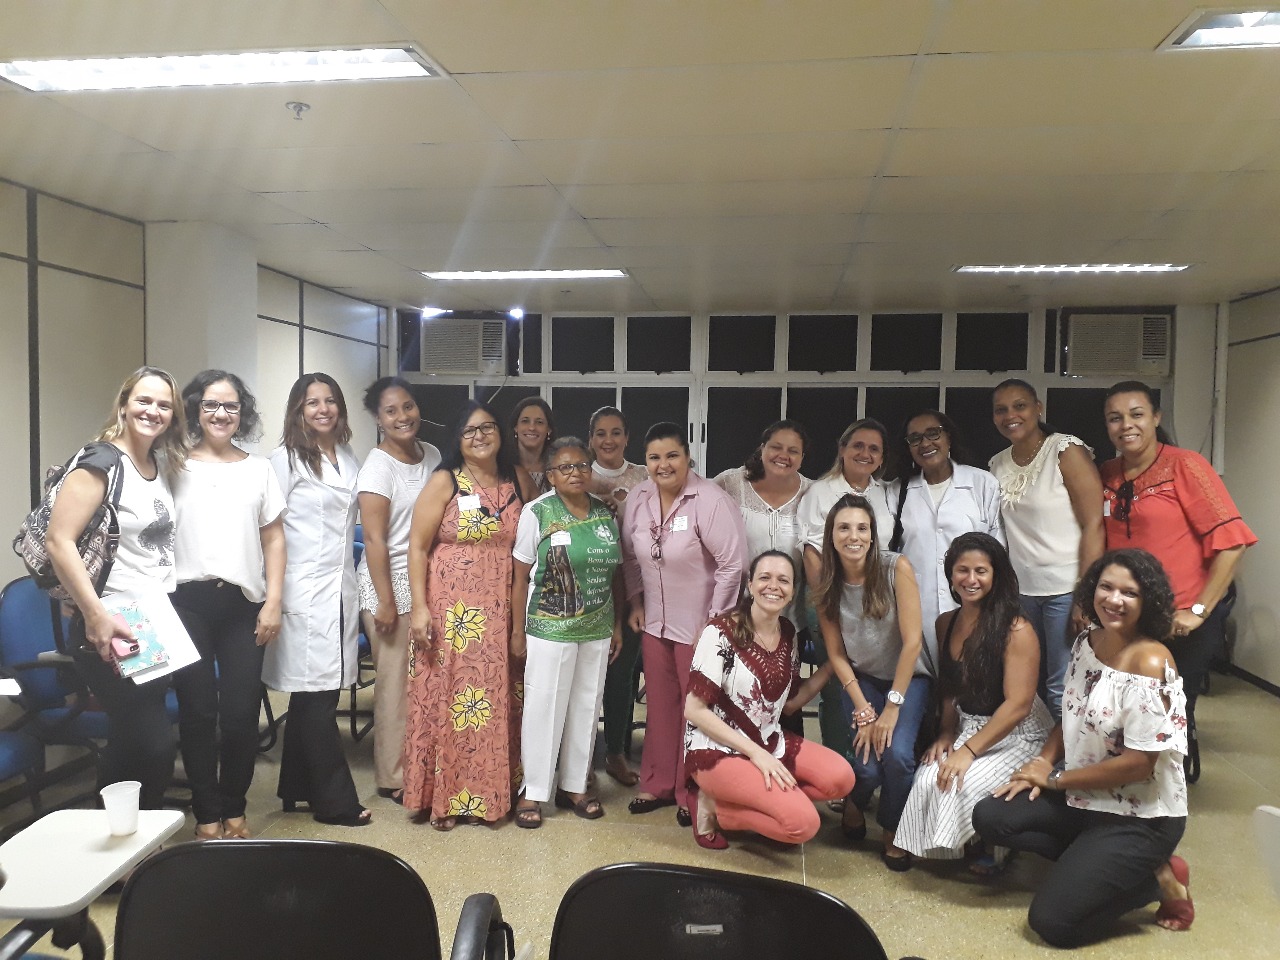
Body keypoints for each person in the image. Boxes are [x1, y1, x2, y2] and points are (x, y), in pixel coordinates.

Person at [973, 549, 1193, 947]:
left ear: (1148, 601)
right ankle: (1110, 866)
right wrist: (1041, 763)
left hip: (1139, 816)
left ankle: (1153, 881)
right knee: (991, 815)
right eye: (1106, 587)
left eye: (1129, 593)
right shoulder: (1087, 642)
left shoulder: (1150, 662)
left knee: (1052, 923)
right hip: (1085, 795)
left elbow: (1138, 765)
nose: (1114, 600)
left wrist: (1056, 780)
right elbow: (1072, 713)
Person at [46, 366, 187, 810]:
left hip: (151, 618)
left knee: (135, 740)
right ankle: (123, 834)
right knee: (151, 743)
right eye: (143, 400)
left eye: (164, 405)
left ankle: (130, 835)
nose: (153, 411)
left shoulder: (156, 464)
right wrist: (94, 614)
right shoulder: (101, 461)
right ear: (124, 405)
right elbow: (59, 540)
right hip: (110, 620)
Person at [1099, 381, 1256, 774]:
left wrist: (1199, 611)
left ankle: (1167, 791)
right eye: (1115, 418)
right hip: (1126, 616)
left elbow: (1233, 542)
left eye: (1136, 414)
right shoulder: (1107, 474)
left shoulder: (1185, 465)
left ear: (1156, 417)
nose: (1126, 425)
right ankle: (1125, 781)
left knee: (1167, 712)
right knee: (1124, 707)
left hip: (1180, 618)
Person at [403, 401, 538, 829]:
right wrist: (419, 609)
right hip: (451, 616)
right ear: (457, 439)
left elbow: (533, 539)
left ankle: (494, 795)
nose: (480, 437)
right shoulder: (445, 480)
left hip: (502, 612)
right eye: (469, 430)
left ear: (501, 433)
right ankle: (445, 799)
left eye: (487, 427)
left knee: (498, 702)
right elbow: (417, 547)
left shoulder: (519, 479)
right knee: (450, 701)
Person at [171, 370, 285, 840]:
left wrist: (273, 601)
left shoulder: (258, 469)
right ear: (196, 410)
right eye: (211, 405)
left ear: (243, 413)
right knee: (198, 712)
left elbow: (273, 538)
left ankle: (235, 807)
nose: (221, 414)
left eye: (231, 406)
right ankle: (206, 815)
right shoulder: (171, 463)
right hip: (186, 604)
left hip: (242, 604)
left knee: (240, 715)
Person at [895, 532, 1052, 871]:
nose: (971, 579)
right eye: (962, 570)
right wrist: (946, 734)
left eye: (981, 571)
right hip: (970, 723)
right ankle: (954, 847)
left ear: (996, 576)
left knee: (956, 783)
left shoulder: (1016, 629)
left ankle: (992, 844)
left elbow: (1018, 705)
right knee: (928, 778)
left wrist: (967, 752)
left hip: (1020, 733)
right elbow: (950, 688)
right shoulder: (945, 622)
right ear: (951, 575)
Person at [620, 421, 746, 827]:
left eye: (672, 455)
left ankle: (690, 789)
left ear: (688, 457)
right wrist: (635, 602)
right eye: (654, 457)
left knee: (697, 710)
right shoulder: (639, 497)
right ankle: (656, 782)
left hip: (699, 627)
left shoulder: (710, 500)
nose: (664, 465)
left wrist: (715, 624)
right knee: (659, 705)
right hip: (655, 623)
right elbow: (630, 556)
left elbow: (732, 566)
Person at [684, 550, 854, 849]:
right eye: (764, 578)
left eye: (783, 580)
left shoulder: (788, 633)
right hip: (717, 749)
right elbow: (694, 710)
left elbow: (790, 704)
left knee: (841, 779)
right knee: (803, 825)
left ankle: (763, 800)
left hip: (768, 740)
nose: (773, 586)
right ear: (750, 585)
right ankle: (717, 809)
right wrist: (755, 754)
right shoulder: (719, 633)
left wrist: (833, 665)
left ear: (793, 591)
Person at [262, 373, 369, 827]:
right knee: (318, 697)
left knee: (312, 696)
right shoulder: (283, 460)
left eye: (330, 401)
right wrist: (270, 596)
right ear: (298, 410)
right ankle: (335, 802)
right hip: (301, 589)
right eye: (312, 403)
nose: (323, 409)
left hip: (338, 586)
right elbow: (266, 530)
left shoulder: (347, 455)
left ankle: (296, 788)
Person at [511, 437, 624, 827]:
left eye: (582, 466)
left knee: (587, 705)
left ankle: (574, 785)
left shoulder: (605, 513)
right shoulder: (537, 512)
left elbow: (617, 573)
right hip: (550, 627)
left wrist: (617, 624)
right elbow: (519, 576)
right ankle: (533, 789)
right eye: (565, 467)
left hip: (597, 625)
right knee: (544, 705)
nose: (575, 473)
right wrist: (517, 631)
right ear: (551, 475)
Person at [815, 494, 929, 870]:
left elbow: (913, 642)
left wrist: (892, 706)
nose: (854, 536)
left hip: (908, 678)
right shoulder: (827, 582)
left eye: (862, 528)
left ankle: (892, 828)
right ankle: (855, 800)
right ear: (832, 536)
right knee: (866, 767)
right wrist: (863, 708)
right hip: (860, 679)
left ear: (873, 534)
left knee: (898, 757)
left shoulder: (896, 567)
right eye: (844, 528)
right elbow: (836, 654)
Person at [989, 380, 1104, 719]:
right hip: (1022, 593)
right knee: (1030, 685)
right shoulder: (996, 464)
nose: (1011, 415)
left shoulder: (1065, 450)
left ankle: (1069, 755)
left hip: (1066, 590)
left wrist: (1086, 593)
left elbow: (1094, 524)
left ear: (1038, 408)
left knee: (1061, 687)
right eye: (1001, 410)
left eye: (1020, 406)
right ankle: (1041, 750)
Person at [355, 376, 441, 807]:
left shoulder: (433, 455)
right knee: (393, 685)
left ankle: (422, 764)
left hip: (425, 582)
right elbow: (374, 540)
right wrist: (386, 602)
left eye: (408, 406)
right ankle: (392, 776)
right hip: (387, 584)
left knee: (423, 681)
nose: (402, 416)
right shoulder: (378, 467)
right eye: (391, 411)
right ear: (378, 418)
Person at [797, 418, 897, 757]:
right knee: (837, 684)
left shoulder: (886, 493)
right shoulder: (820, 492)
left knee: (868, 680)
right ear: (842, 449)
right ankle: (841, 763)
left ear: (881, 458)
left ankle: (870, 763)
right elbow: (811, 554)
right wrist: (828, 601)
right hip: (830, 600)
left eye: (874, 449)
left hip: (874, 601)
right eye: (858, 445)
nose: (865, 453)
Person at [887, 410, 1004, 673]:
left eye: (933, 433)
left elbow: (999, 551)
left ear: (948, 437)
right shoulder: (897, 491)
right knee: (922, 684)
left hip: (974, 608)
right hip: (916, 611)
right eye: (915, 438)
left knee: (969, 680)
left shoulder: (982, 483)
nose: (925, 443)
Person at [587, 405, 649, 787]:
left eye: (616, 432)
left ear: (627, 438)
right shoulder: (579, 473)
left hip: (631, 587)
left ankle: (617, 751)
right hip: (587, 588)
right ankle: (579, 755)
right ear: (591, 439)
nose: (608, 440)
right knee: (583, 677)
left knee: (622, 674)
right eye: (600, 433)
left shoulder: (644, 476)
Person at [712, 419, 812, 627]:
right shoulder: (730, 484)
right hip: (735, 612)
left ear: (802, 458)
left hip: (790, 617)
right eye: (776, 447)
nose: (783, 455)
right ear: (762, 448)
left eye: (793, 451)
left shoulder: (813, 493)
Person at [510, 396, 555, 493]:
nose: (532, 427)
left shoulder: (557, 469)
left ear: (549, 430)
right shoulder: (501, 467)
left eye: (539, 422)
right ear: (516, 427)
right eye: (525, 421)